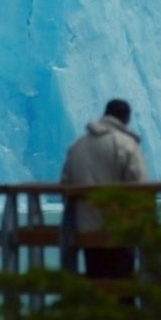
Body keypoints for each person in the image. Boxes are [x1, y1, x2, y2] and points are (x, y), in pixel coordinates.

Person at [60, 98, 148, 279]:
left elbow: (65, 186)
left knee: (96, 281)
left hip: (86, 230)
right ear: (126, 119)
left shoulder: (78, 146)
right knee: (123, 286)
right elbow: (139, 186)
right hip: (119, 230)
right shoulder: (126, 145)